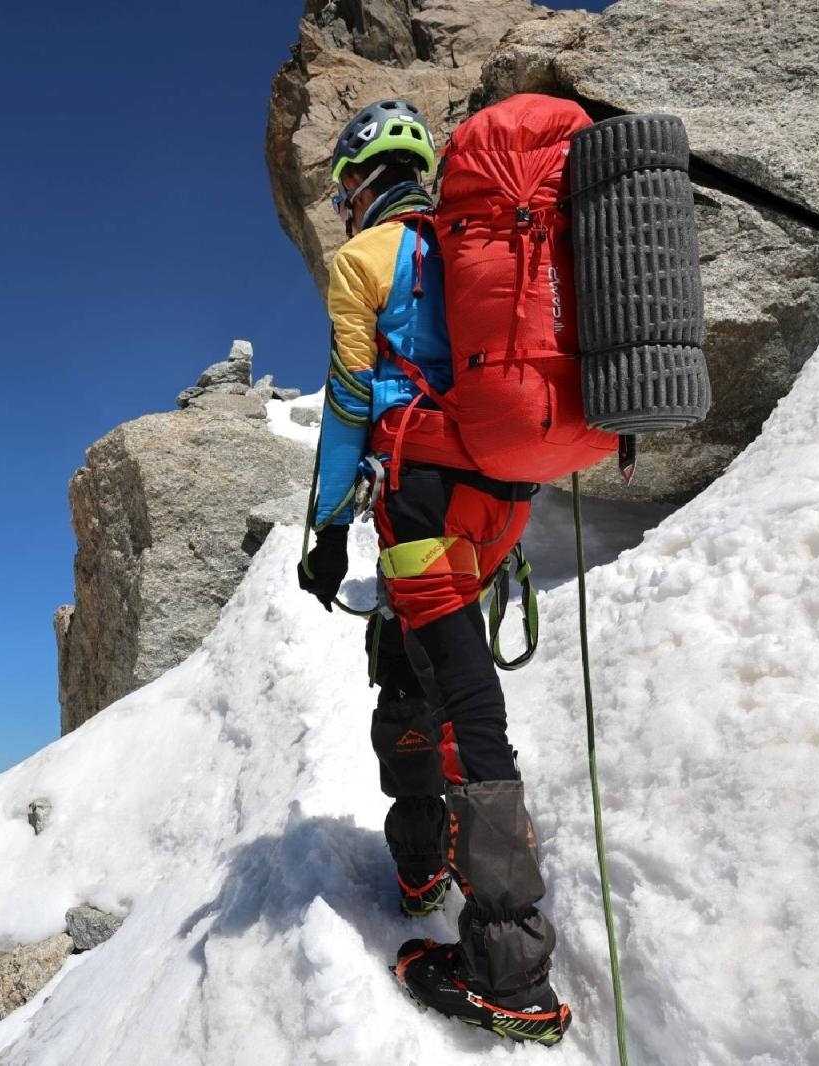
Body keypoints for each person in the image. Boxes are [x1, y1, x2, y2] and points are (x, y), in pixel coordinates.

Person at [296, 99, 570, 1045]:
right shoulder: (478, 244)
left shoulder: (364, 260)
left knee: (452, 693)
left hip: (419, 503)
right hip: (502, 498)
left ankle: (510, 969)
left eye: (341, 193)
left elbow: (346, 399)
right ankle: (431, 867)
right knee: (422, 660)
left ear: (357, 187)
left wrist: (327, 529)